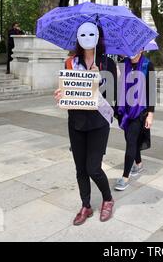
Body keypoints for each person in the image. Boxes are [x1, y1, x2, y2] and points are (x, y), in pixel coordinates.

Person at [54, 22, 116, 226]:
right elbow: (68, 88)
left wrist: (100, 81)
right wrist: (61, 93)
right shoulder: (71, 63)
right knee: (80, 168)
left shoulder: (108, 64)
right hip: (76, 121)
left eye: (92, 33)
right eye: (84, 34)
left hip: (98, 122)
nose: (88, 37)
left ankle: (107, 199)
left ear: (99, 37)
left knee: (93, 168)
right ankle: (86, 205)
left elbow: (113, 96)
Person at [115, 49, 155, 191]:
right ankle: (138, 163)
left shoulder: (147, 65)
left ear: (142, 49)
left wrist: (150, 113)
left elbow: (151, 91)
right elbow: (116, 86)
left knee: (131, 141)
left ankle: (125, 177)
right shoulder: (122, 64)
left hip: (140, 111)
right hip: (124, 109)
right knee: (130, 139)